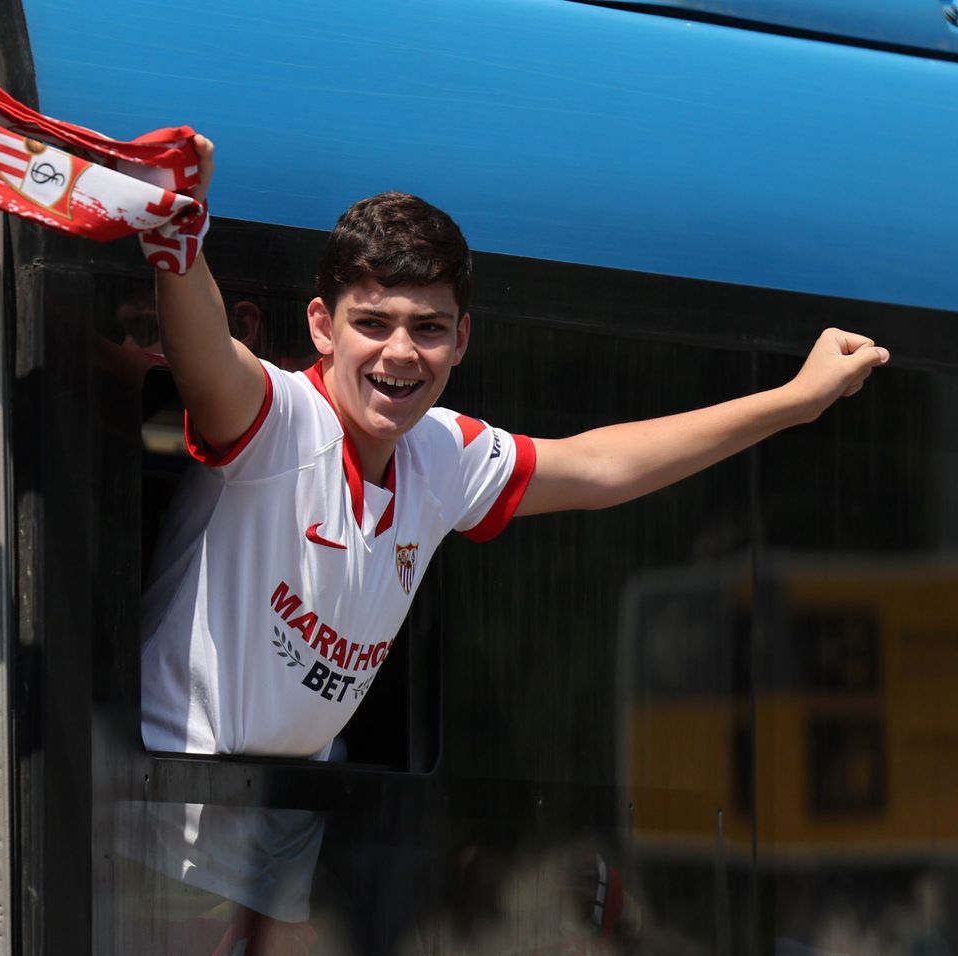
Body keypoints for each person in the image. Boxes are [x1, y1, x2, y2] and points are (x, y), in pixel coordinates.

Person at [139, 135, 891, 761]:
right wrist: (180, 247)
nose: (400, 352)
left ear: (461, 340)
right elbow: (209, 362)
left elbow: (600, 467)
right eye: (373, 323)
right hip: (166, 826)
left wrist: (796, 402)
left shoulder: (442, 454)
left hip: (278, 833)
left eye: (429, 328)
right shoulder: (283, 422)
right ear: (322, 327)